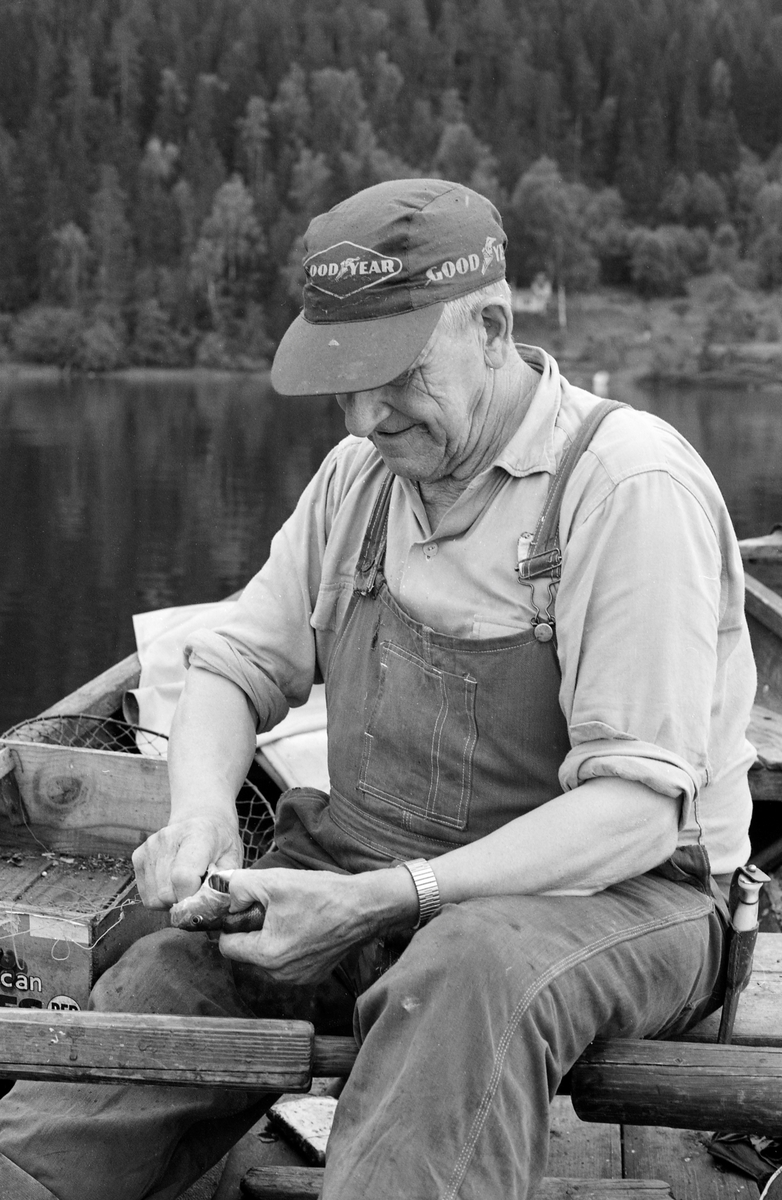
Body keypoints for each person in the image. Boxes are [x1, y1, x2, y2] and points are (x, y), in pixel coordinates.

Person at [0, 179, 756, 1200]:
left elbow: (629, 817)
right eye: (341, 383)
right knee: (171, 975)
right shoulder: (358, 477)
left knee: (466, 973)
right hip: (367, 869)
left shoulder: (624, 488)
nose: (362, 416)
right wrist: (199, 818)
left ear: (490, 328)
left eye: (391, 375)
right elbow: (232, 665)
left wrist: (380, 901)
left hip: (622, 901)